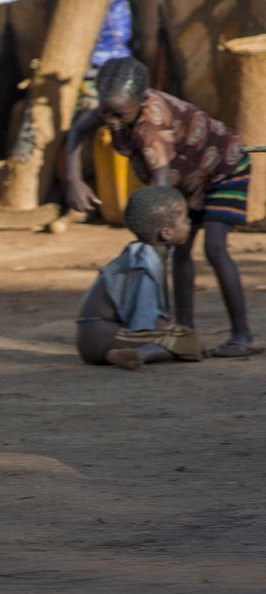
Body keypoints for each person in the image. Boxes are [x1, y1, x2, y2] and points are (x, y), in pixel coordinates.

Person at [65, 56, 262, 358]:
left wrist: (155, 238)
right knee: (180, 252)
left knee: (214, 247)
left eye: (119, 115)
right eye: (107, 113)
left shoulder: (152, 128)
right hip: (186, 180)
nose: (111, 122)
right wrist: (73, 180)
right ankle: (184, 332)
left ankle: (242, 335)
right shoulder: (116, 106)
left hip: (224, 169)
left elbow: (160, 193)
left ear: (141, 101)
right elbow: (78, 130)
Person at [77, 185, 202, 369]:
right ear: (166, 232)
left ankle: (121, 354)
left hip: (92, 340)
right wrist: (162, 324)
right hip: (105, 339)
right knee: (187, 340)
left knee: (180, 337)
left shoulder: (138, 253)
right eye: (184, 219)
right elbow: (145, 318)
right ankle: (139, 354)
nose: (189, 223)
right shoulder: (145, 260)